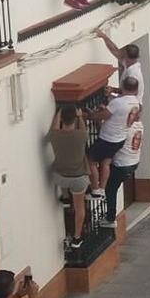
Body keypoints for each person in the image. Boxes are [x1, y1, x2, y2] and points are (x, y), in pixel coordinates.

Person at [87, 76, 141, 203]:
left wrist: (89, 115)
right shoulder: (136, 103)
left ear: (123, 86)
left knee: (90, 161)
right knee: (106, 163)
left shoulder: (118, 102)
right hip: (119, 139)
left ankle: (95, 190)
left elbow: (103, 116)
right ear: (136, 89)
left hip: (108, 138)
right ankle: (101, 189)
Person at [48, 104, 90, 249]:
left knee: (59, 169)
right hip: (78, 179)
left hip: (60, 178)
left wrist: (58, 113)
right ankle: (77, 237)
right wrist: (80, 116)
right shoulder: (81, 136)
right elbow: (83, 129)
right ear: (75, 118)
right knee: (80, 208)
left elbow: (53, 129)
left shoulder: (55, 136)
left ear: (61, 119)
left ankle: (66, 197)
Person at [97, 30, 142, 96]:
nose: (120, 54)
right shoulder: (131, 63)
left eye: (122, 53)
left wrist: (113, 90)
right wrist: (104, 37)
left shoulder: (132, 74)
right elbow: (115, 50)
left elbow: (131, 93)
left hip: (130, 104)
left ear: (126, 55)